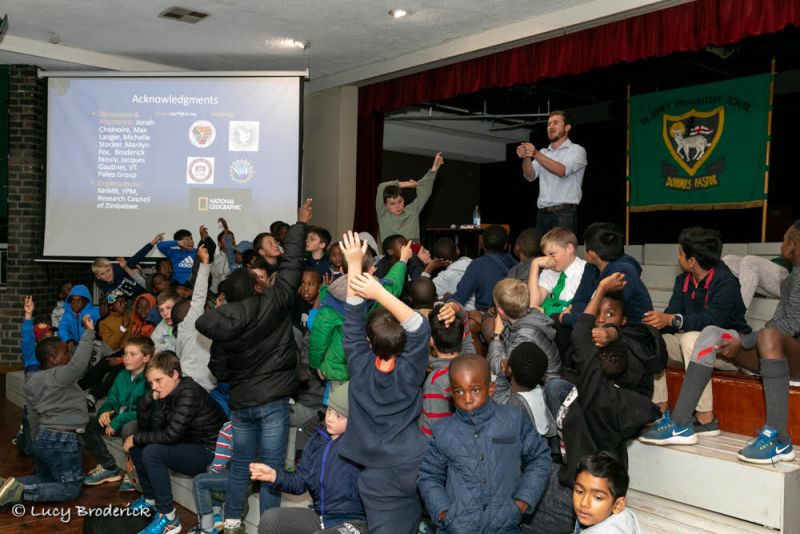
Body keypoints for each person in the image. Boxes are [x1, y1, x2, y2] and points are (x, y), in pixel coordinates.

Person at [195, 199, 313, 533]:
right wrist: (300, 224)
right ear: (256, 286)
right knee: (271, 468)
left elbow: (209, 337)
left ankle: (232, 521)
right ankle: (269, 526)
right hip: (273, 402)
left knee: (240, 466)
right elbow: (290, 265)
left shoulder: (223, 323)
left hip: (242, 404)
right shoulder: (274, 302)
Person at [641, 221, 800, 464]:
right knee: (713, 332)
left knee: (761, 334)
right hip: (778, 350)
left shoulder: (726, 280)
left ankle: (778, 438)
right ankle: (681, 423)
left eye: (786, 238)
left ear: (792, 244)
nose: (783, 242)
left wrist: (748, 339)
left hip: (789, 352)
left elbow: (789, 327)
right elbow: (780, 324)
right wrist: (744, 341)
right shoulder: (792, 278)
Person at [337, 231, 430, 534]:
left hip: (377, 475)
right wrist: (380, 294)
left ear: (368, 341)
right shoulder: (409, 371)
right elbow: (419, 328)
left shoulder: (360, 365)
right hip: (415, 464)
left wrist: (353, 264)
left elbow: (351, 316)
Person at [416, 354, 551, 534]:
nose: (467, 398)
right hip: (457, 528)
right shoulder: (443, 431)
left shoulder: (512, 419)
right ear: (451, 393)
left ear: (491, 388)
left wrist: (522, 501)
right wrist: (443, 512)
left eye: (475, 390)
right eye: (459, 391)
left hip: (505, 526)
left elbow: (540, 458)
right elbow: (428, 476)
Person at [645, 227, 749, 432]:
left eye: (680, 253)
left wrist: (672, 320)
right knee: (651, 340)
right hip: (695, 347)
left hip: (730, 350)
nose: (678, 257)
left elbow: (712, 321)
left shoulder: (726, 282)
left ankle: (705, 418)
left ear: (692, 261)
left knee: (693, 339)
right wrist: (655, 327)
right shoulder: (683, 280)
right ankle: (659, 409)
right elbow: (672, 317)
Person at [0, 315, 96, 506]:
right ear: (53, 359)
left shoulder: (33, 381)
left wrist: (36, 439)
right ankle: (20, 493)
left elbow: (32, 414)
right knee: (71, 488)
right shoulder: (60, 375)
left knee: (46, 480)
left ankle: (5, 487)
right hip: (62, 440)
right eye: (65, 354)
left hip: (43, 438)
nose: (69, 357)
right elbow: (80, 363)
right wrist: (89, 333)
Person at [126, 351, 226, 534]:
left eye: (158, 380)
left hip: (210, 451)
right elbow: (151, 430)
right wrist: (147, 402)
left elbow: (170, 435)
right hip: (190, 444)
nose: (154, 387)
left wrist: (136, 438)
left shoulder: (189, 391)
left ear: (174, 374)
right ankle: (151, 500)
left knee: (150, 451)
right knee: (139, 448)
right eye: (150, 383)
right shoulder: (166, 393)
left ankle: (169, 518)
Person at [254, 383, 368, 534]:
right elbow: (301, 482)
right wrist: (275, 476)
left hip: (356, 522)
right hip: (322, 517)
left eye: (339, 416)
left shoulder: (360, 443)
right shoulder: (317, 439)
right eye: (329, 411)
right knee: (271, 519)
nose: (330, 418)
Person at [309, 239, 409, 385]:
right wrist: (403, 261)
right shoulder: (380, 292)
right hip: (370, 365)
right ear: (371, 270)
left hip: (339, 370)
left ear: (342, 270)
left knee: (338, 407)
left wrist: (316, 365)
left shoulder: (329, 304)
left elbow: (319, 339)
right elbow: (394, 282)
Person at [83, 335, 154, 491]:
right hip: (119, 419)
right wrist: (105, 411)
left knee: (129, 427)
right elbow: (111, 400)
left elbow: (144, 412)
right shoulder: (122, 375)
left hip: (141, 424)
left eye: (133, 354)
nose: (127, 358)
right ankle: (108, 467)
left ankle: (132, 471)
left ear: (146, 358)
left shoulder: (150, 379)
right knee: (86, 422)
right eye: (125, 354)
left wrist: (117, 421)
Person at [561, 223, 652, 328]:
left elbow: (606, 318)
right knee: (555, 321)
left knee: (563, 327)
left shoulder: (622, 272)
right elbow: (580, 300)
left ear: (591, 253)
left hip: (630, 332)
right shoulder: (592, 266)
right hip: (594, 324)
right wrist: (575, 317)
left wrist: (568, 318)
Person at [488, 278, 560, 404]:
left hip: (542, 393)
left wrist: (497, 335)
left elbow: (503, 368)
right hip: (534, 382)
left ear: (500, 311)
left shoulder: (525, 336)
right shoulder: (531, 316)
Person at [516, 110, 587, 234]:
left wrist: (535, 153)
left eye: (555, 123)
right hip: (542, 213)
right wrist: (527, 156)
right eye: (549, 124)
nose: (551, 127)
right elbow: (529, 176)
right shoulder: (543, 152)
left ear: (567, 127)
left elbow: (561, 171)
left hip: (564, 214)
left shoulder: (577, 150)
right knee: (542, 252)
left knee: (561, 251)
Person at [376, 151, 444, 242]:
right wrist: (407, 184)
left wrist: (434, 169)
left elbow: (425, 191)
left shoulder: (412, 211)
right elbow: (382, 187)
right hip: (391, 256)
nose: (397, 206)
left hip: (412, 255)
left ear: (403, 200)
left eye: (399, 201)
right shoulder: (383, 214)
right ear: (386, 206)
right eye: (392, 204)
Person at [419, 304, 465, 437]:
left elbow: (434, 432)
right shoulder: (472, 363)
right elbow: (465, 317)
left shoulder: (435, 382)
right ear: (463, 337)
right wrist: (454, 307)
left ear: (431, 340)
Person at [451, 224, 518, 312]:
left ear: (481, 243)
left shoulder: (478, 264)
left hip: (487, 316)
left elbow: (460, 297)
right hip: (512, 313)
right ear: (506, 245)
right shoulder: (515, 263)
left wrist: (448, 300)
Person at [573, 451, 641, 533]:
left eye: (598, 497)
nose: (584, 503)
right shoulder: (625, 516)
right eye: (579, 491)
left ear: (618, 505)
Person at [528, 227, 586, 318]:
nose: (547, 260)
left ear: (569, 249)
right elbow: (534, 303)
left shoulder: (585, 272)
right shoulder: (549, 270)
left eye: (552, 254)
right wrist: (534, 265)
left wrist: (546, 311)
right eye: (545, 255)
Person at [192, 421, 234, 534]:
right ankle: (216, 517)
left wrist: (212, 471)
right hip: (263, 475)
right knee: (212, 472)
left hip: (241, 476)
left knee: (200, 481)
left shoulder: (229, 427)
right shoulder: (262, 424)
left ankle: (207, 528)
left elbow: (219, 465)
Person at [723, 252, 791, 308]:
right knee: (728, 260)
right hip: (767, 283)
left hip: (790, 284)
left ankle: (737, 318)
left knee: (750, 261)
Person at [426, 237, 473, 308]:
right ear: (457, 250)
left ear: (438, 260)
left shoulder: (441, 279)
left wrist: (428, 269)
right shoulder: (475, 265)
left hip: (457, 315)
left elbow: (422, 296)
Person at [150, 289, 179, 354]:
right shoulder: (158, 332)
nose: (165, 313)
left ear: (178, 306)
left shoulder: (189, 321)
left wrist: (163, 347)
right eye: (161, 310)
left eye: (169, 308)